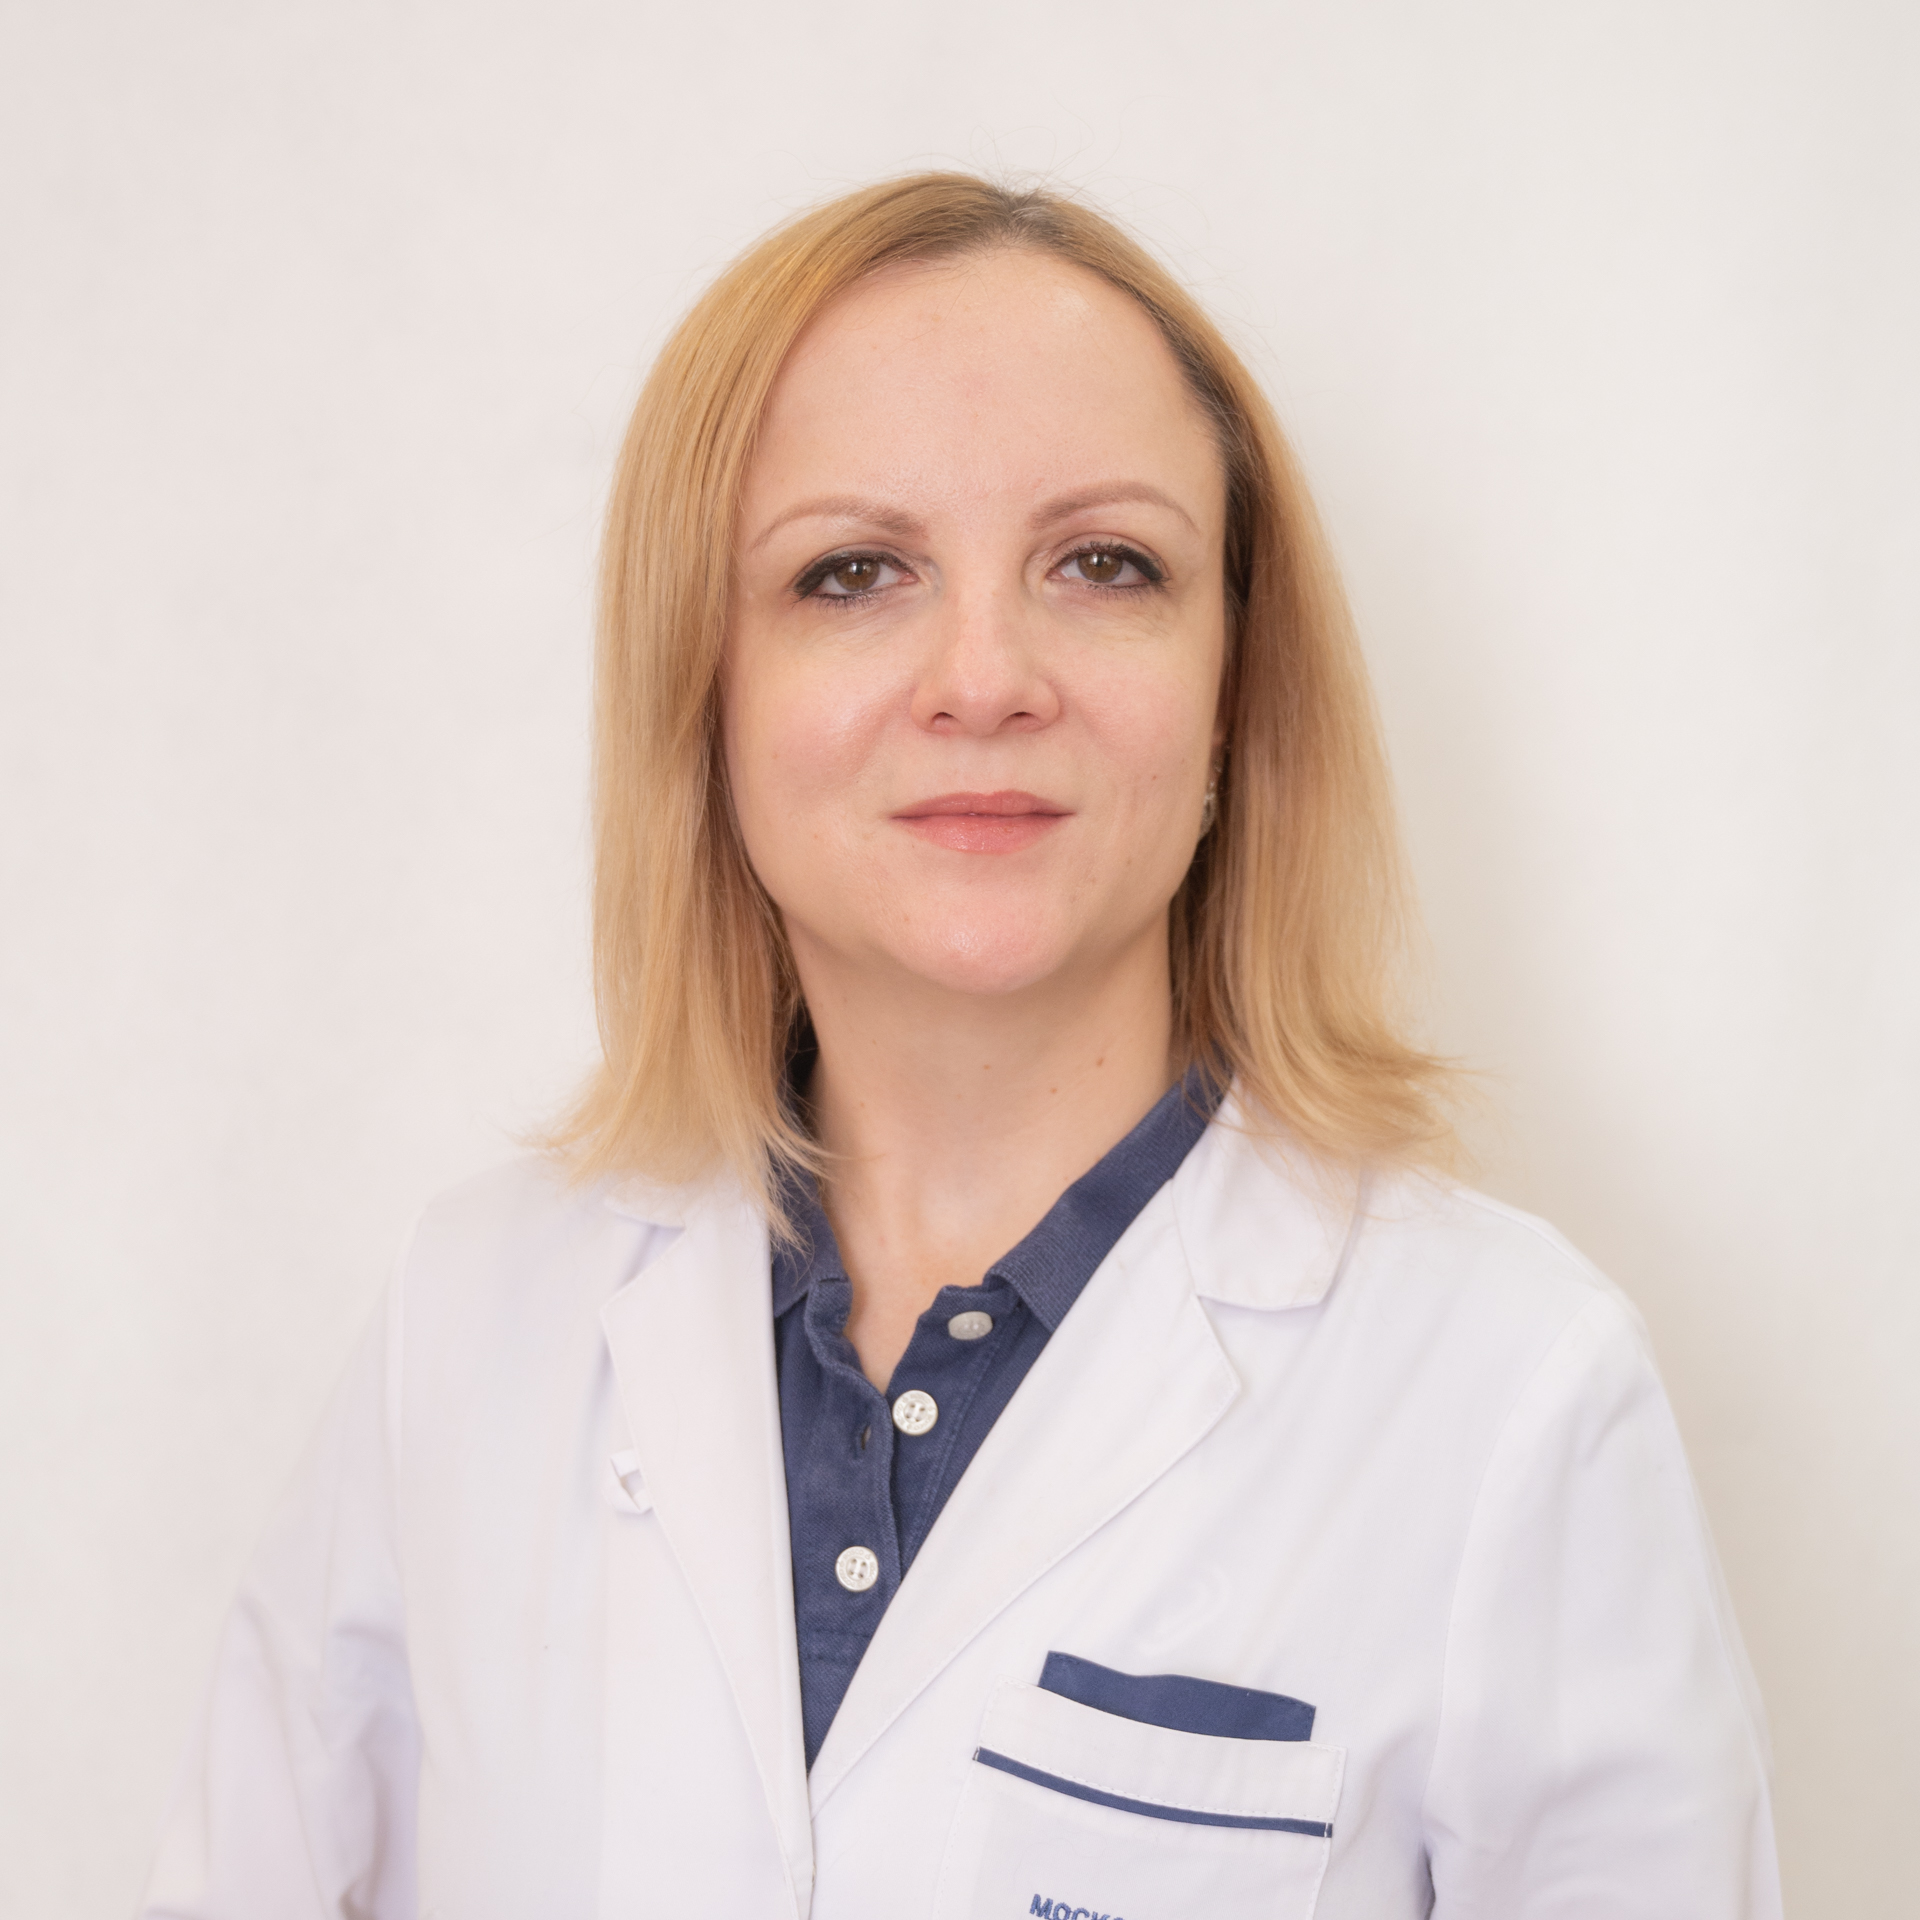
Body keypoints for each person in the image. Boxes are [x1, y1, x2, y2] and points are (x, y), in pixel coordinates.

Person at [140, 174, 1782, 1920]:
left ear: (1235, 687)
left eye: (1105, 564)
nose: (985, 676)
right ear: (705, 691)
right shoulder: (471, 1326)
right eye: (853, 573)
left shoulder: (1513, 1399)